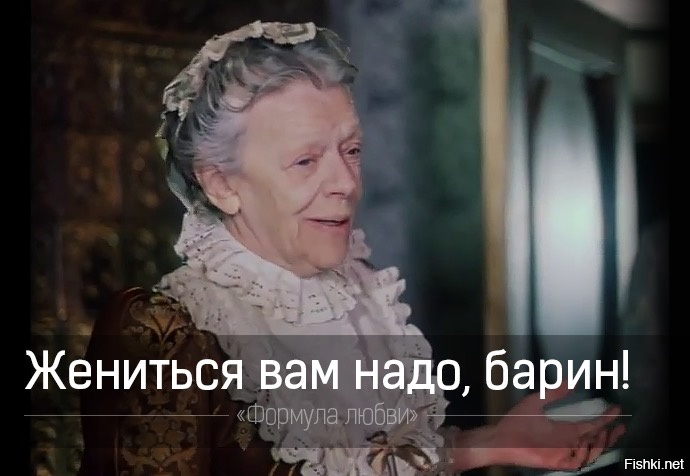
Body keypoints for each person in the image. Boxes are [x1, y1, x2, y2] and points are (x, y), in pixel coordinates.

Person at [78, 21, 624, 476]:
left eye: (352, 150)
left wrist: (490, 444)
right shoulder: (162, 333)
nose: (346, 183)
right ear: (220, 183)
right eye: (305, 161)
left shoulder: (362, 297)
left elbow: (378, 461)